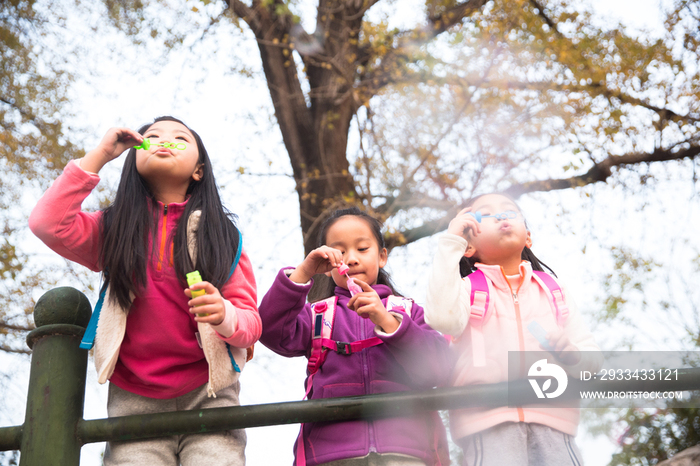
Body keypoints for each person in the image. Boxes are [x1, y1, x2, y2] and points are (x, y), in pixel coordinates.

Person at [29, 116, 260, 466]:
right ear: (135, 159)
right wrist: (100, 155)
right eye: (152, 137)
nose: (165, 141)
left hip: (209, 391)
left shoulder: (223, 237)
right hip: (134, 398)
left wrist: (225, 315)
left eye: (180, 139)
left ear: (199, 170)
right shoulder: (114, 229)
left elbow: (251, 324)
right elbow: (47, 223)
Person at [259, 207, 452, 466]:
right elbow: (270, 330)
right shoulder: (318, 315)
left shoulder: (408, 311)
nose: (350, 259)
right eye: (338, 252)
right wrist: (303, 273)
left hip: (407, 452)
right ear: (326, 267)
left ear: (382, 256)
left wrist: (387, 321)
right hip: (331, 456)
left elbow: (441, 369)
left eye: (362, 249)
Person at [424, 193, 602, 466]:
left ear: (528, 237)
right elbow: (442, 319)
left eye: (510, 211)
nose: (501, 216)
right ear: (469, 245)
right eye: (486, 214)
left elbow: (592, 361)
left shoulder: (554, 292)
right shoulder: (467, 290)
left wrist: (573, 356)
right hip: (487, 423)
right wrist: (451, 243)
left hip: (555, 421)